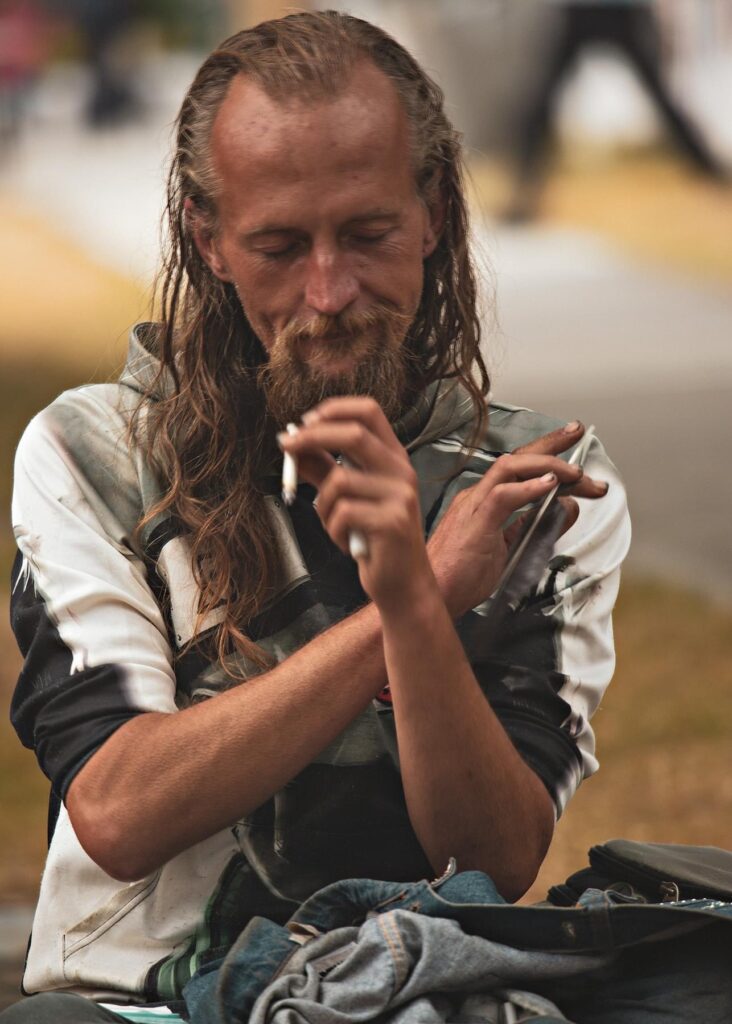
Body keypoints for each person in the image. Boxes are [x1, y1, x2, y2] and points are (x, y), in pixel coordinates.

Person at [3, 12, 629, 1022]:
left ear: (433, 211)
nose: (329, 293)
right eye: (281, 247)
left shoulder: (537, 485)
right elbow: (120, 808)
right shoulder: (92, 453)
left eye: (369, 234)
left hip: (415, 989)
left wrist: (417, 611)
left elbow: (493, 859)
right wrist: (408, 603)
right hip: (136, 1006)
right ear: (209, 239)